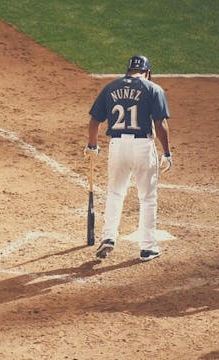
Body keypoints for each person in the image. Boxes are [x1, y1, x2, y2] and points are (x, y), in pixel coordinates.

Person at [84, 55, 172, 261]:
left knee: (115, 193)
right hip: (142, 147)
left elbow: (94, 121)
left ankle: (108, 237)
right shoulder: (153, 88)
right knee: (147, 198)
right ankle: (148, 247)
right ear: (147, 72)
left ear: (128, 71)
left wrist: (92, 145)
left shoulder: (111, 87)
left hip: (117, 147)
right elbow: (160, 124)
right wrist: (167, 152)